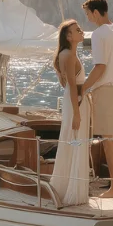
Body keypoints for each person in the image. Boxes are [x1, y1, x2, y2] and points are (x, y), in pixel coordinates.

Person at [81, 0, 113, 199]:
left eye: (88, 14)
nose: (88, 18)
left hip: (104, 92)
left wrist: (83, 88)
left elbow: (99, 67)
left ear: (95, 12)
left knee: (109, 142)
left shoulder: (98, 34)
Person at [50, 19, 91, 207]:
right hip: (76, 103)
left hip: (75, 101)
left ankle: (68, 186)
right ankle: (71, 191)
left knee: (73, 140)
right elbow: (72, 86)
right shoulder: (68, 55)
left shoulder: (68, 54)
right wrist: (77, 113)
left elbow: (67, 84)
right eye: (77, 30)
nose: (81, 31)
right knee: (75, 140)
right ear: (68, 36)